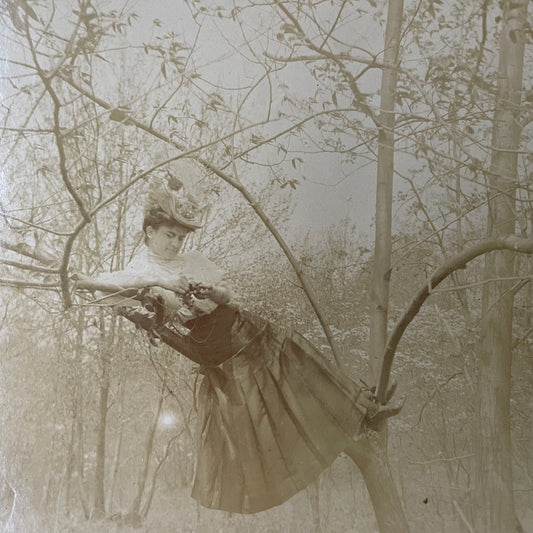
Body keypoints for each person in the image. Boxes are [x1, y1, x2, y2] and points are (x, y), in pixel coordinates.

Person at [77, 175, 401, 514]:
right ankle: (354, 418)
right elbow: (107, 284)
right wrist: (146, 282)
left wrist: (211, 293)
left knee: (296, 364)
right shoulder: (140, 268)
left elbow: (228, 296)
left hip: (240, 327)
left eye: (180, 237)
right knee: (258, 415)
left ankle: (364, 410)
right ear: (149, 232)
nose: (175, 244)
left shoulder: (193, 261)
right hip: (213, 346)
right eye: (169, 235)